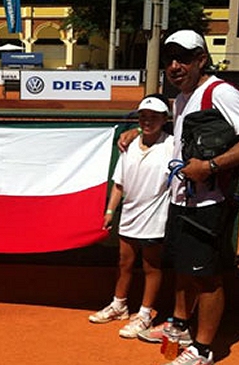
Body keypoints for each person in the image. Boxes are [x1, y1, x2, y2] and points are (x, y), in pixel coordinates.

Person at [119, 30, 239, 365]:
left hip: (209, 202)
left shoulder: (221, 93)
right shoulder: (184, 97)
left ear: (202, 59)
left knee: (207, 276)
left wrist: (211, 166)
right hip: (183, 199)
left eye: (183, 58)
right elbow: (179, 139)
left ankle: (202, 350)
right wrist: (137, 132)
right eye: (170, 58)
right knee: (185, 268)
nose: (175, 65)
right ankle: (180, 326)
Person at [88, 94, 174, 341]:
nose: (148, 121)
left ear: (164, 119)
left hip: (156, 218)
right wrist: (110, 212)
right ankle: (119, 305)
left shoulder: (172, 145)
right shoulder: (128, 146)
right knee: (124, 263)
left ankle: (145, 314)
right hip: (129, 215)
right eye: (143, 117)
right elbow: (119, 185)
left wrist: (135, 131)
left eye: (154, 117)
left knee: (151, 266)